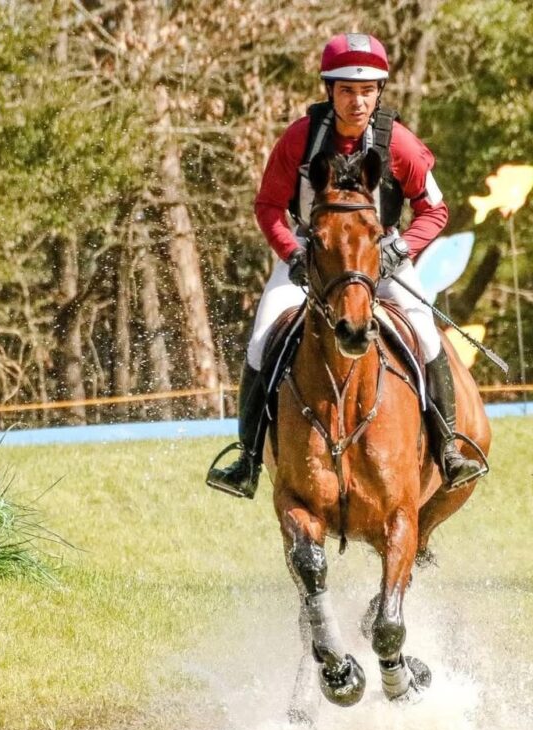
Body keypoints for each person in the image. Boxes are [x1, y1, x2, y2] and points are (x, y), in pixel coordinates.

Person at [207, 32, 483, 499]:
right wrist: (292, 253)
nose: (358, 101)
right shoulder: (299, 139)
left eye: (368, 90)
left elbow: (435, 210)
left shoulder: (401, 146)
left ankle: (448, 449)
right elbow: (269, 206)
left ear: (379, 93)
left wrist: (402, 250)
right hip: (312, 253)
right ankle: (249, 459)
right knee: (261, 339)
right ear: (330, 91)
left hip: (383, 254)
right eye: (348, 91)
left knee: (425, 332)